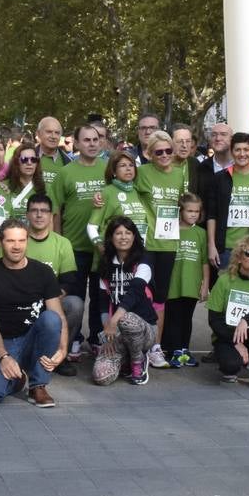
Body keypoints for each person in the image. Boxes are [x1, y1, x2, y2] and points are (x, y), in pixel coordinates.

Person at [0, 219, 69, 407]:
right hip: (4, 343)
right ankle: (17, 380)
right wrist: (3, 356)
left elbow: (59, 316)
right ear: (0, 243)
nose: (16, 246)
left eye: (21, 241)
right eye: (10, 241)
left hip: (33, 340)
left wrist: (63, 349)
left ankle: (38, 385)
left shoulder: (43, 272)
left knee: (51, 319)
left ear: (27, 241)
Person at [8, 194, 82, 377]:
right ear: (27, 215)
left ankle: (60, 356)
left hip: (52, 300)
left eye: (44, 211)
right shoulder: (17, 241)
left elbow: (69, 280)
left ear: (52, 216)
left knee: (75, 304)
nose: (39, 215)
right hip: (19, 302)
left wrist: (49, 300)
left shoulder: (62, 243)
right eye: (34, 210)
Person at [135, 129, 191, 368]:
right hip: (147, 242)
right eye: (159, 152)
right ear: (149, 154)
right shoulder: (142, 172)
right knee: (141, 291)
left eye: (169, 150)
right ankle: (138, 344)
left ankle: (156, 347)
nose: (165, 155)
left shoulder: (180, 174)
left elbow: (185, 203)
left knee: (161, 296)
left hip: (169, 242)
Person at [55, 124, 111, 360]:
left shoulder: (109, 169)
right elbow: (56, 208)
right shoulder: (66, 173)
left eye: (95, 139)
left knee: (100, 296)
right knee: (74, 297)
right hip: (74, 246)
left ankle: (97, 338)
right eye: (86, 140)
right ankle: (73, 339)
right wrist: (59, 241)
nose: (91, 143)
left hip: (102, 248)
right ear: (76, 144)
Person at [92, 217, 159, 385]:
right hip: (116, 331)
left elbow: (135, 291)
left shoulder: (144, 259)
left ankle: (138, 361)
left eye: (128, 233)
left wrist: (114, 320)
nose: (123, 237)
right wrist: (107, 334)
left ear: (134, 236)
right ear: (111, 237)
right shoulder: (106, 263)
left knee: (126, 318)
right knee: (101, 377)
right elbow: (102, 302)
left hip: (145, 329)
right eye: (118, 233)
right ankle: (124, 360)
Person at [207, 235, 249, 390]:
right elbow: (214, 319)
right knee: (230, 367)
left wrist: (247, 319)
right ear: (239, 258)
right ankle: (245, 358)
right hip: (227, 334)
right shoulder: (224, 280)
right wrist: (236, 342)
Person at [207, 132, 249, 270]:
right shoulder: (220, 178)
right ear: (231, 152)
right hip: (226, 248)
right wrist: (211, 246)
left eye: (246, 149)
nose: (242, 154)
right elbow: (212, 215)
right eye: (237, 150)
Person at [163, 193, 209, 367]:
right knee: (172, 316)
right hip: (174, 283)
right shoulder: (170, 230)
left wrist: (204, 284)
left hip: (191, 283)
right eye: (189, 211)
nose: (193, 214)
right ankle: (173, 350)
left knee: (186, 317)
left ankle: (184, 349)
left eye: (196, 211)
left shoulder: (201, 233)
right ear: (181, 211)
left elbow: (205, 261)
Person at [88, 151, 151, 246]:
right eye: (123, 165)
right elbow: (91, 226)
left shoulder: (137, 191)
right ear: (113, 171)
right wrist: (100, 247)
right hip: (111, 253)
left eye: (131, 165)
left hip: (136, 253)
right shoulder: (107, 193)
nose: (128, 169)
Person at [6, 141, 47, 222]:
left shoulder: (46, 188)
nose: (29, 163)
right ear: (16, 162)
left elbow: (50, 219)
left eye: (33, 159)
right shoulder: (3, 186)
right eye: (24, 160)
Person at [34, 116, 70, 188]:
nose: (53, 136)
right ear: (38, 133)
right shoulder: (26, 158)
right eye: (49, 132)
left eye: (57, 133)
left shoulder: (68, 162)